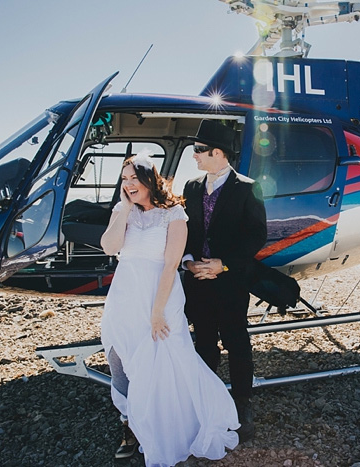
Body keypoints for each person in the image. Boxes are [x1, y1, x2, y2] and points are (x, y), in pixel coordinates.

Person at [99, 154, 239, 465]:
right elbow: (109, 247)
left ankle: (170, 427)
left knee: (164, 363)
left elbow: (171, 264)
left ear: (149, 178)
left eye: (134, 178)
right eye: (124, 179)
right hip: (124, 295)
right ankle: (129, 424)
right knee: (119, 359)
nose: (129, 184)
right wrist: (122, 208)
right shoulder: (125, 211)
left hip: (159, 295)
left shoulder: (174, 213)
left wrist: (157, 311)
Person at [182, 119, 268, 443]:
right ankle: (207, 405)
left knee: (237, 342)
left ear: (216, 152)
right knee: (202, 343)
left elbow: (257, 235)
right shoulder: (191, 188)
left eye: (198, 151)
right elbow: (186, 232)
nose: (194, 157)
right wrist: (189, 262)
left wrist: (224, 265)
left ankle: (242, 406)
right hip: (197, 282)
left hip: (231, 282)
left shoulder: (247, 187)